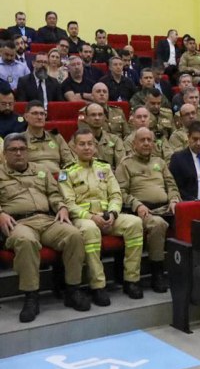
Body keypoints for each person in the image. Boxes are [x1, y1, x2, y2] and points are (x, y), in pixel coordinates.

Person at [0, 133, 90, 322]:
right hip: (18, 222)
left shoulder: (41, 170)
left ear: (28, 152)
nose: (18, 153)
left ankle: (72, 290)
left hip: (47, 219)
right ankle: (31, 296)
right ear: (5, 153)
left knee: (74, 234)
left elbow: (55, 195)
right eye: (13, 150)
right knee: (26, 241)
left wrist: (62, 208)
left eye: (22, 149)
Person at [60, 128, 145, 305]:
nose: (86, 148)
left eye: (90, 144)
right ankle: (98, 286)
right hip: (83, 220)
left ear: (95, 146)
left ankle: (131, 280)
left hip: (108, 216)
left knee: (135, 223)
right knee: (91, 230)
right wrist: (91, 217)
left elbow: (116, 195)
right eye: (82, 144)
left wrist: (113, 213)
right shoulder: (66, 172)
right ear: (74, 147)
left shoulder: (104, 168)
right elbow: (69, 203)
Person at [116, 128, 181, 293]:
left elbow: (171, 185)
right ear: (134, 143)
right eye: (142, 140)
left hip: (166, 208)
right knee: (158, 224)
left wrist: (174, 200)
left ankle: (189, 271)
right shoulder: (126, 164)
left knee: (192, 217)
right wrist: (136, 204)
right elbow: (120, 193)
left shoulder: (160, 162)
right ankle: (157, 273)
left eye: (149, 140)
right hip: (142, 211)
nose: (146, 143)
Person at [23, 101, 75, 172]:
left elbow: (69, 161)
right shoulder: (20, 140)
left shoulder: (56, 137)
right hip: (33, 178)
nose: (39, 117)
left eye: (42, 114)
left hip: (58, 176)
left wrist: (65, 176)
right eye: (35, 113)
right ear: (26, 117)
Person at [78, 102, 126, 170]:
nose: (97, 118)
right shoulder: (78, 141)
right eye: (93, 115)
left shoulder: (115, 140)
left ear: (104, 118)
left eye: (100, 115)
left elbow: (121, 166)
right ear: (86, 118)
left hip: (111, 177)